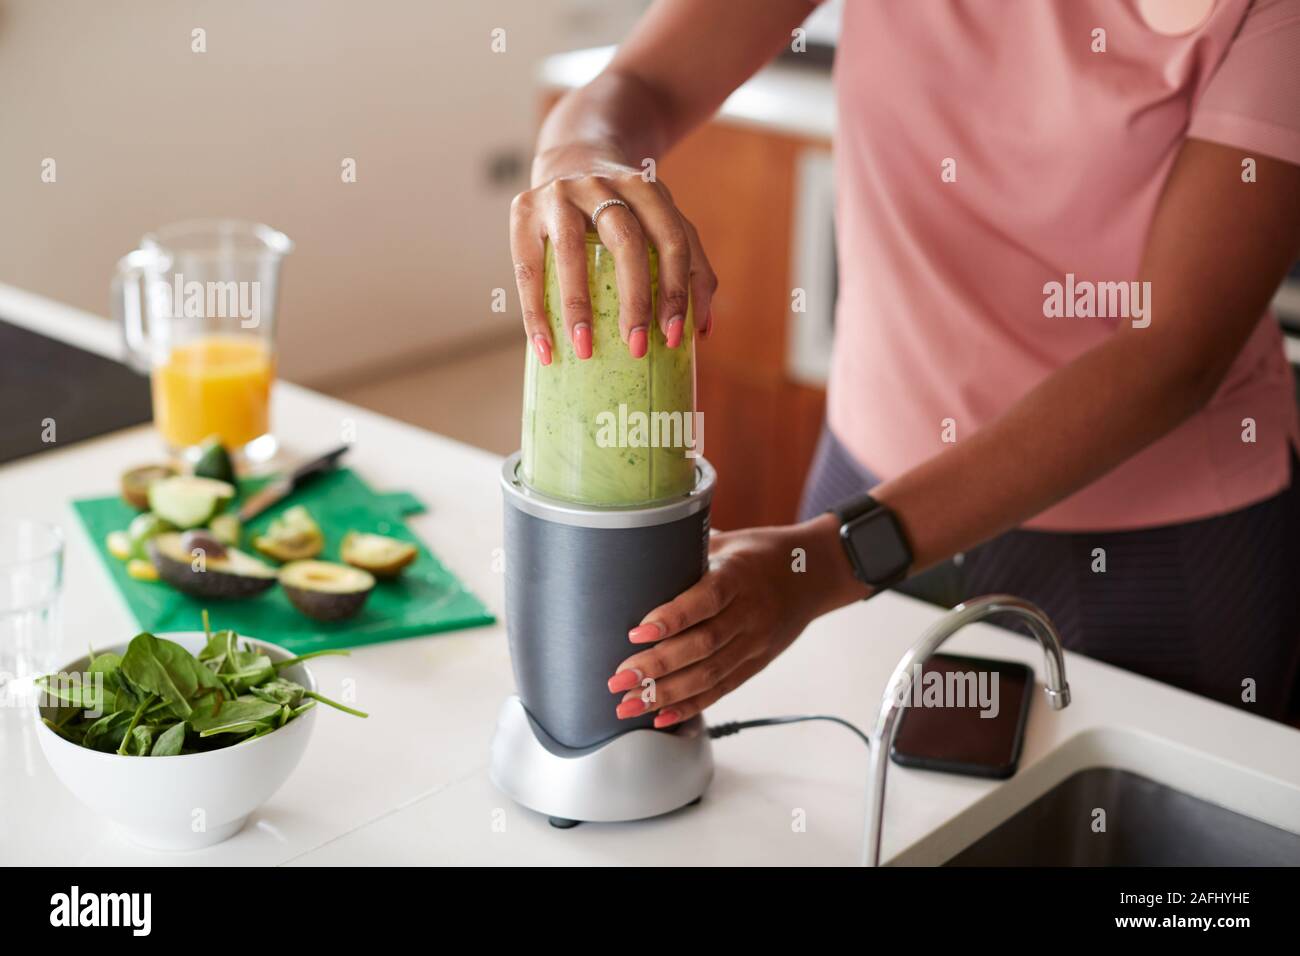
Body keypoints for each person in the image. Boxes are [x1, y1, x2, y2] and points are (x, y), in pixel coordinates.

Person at [509, 0, 1300, 725]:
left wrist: (826, 562)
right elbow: (643, 81)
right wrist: (581, 158)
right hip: (863, 487)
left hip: (1158, 549)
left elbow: (1176, 349)